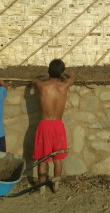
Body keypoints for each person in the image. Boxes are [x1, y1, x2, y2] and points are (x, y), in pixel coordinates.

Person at [32, 59, 75, 197]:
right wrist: (64, 73)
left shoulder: (41, 85)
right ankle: (56, 186)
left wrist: (48, 75)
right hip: (58, 125)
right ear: (61, 72)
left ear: (48, 70)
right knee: (58, 159)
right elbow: (73, 77)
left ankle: (42, 188)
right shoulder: (64, 86)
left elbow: (34, 79)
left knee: (43, 159)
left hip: (45, 125)